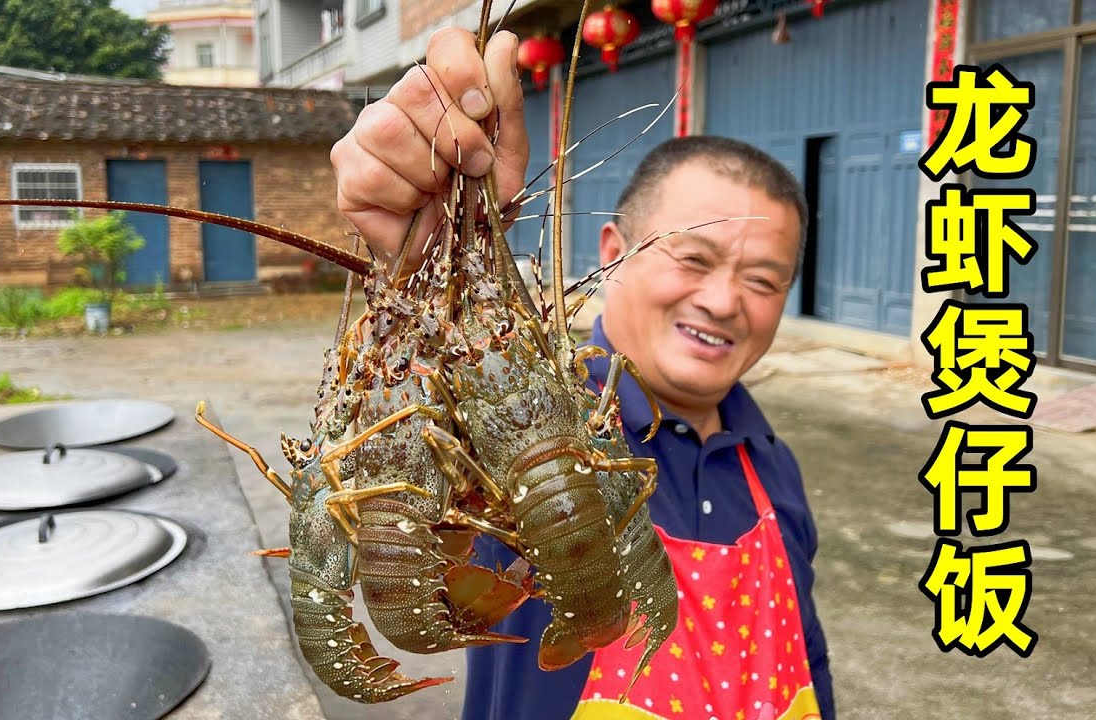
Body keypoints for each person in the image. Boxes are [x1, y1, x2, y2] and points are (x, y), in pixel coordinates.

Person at [330, 25, 834, 720]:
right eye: (692, 259)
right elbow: (408, 554)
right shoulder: (482, 450)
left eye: (763, 279)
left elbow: (809, 660)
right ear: (611, 251)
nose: (722, 300)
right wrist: (419, 268)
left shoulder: (774, 466)